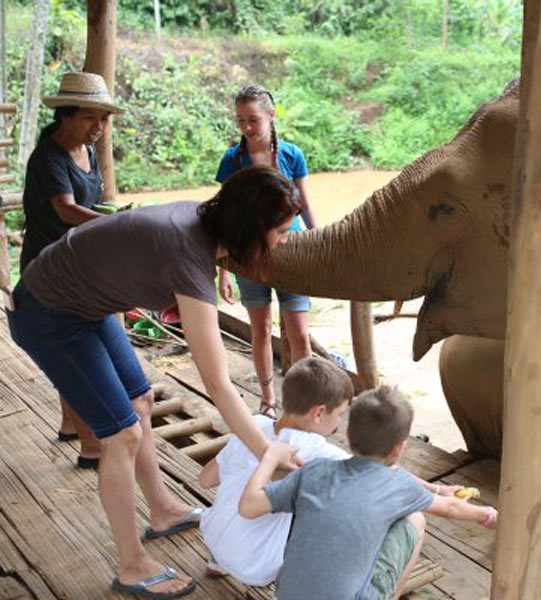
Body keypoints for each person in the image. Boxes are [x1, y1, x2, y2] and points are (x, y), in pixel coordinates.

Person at [6, 166, 303, 599]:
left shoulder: (203, 223)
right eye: (280, 232)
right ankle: (130, 565)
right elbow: (217, 383)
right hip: (49, 313)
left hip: (84, 301)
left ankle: (162, 509)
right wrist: (266, 451)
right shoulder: (188, 256)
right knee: (121, 434)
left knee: (140, 399)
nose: (283, 241)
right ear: (250, 231)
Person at [240, 385, 499, 600]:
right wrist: (488, 515)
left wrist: (270, 457)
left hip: (287, 595)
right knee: (415, 519)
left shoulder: (313, 472)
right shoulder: (398, 485)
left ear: (349, 434)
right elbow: (451, 508)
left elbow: (248, 507)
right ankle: (391, 594)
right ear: (400, 448)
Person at [19, 72, 119, 468]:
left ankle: (69, 424)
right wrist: (114, 225)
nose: (97, 128)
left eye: (103, 119)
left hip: (76, 265)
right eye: (88, 118)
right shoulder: (49, 157)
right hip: (50, 272)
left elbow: (89, 203)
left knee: (68, 350)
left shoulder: (87, 151)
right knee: (75, 350)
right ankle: (92, 445)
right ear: (64, 116)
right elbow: (66, 209)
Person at [198, 357, 352, 585]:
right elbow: (371, 469)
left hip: (212, 537)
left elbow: (205, 480)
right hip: (255, 567)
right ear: (318, 413)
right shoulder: (314, 448)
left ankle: (219, 562)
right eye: (340, 413)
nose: (340, 422)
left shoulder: (254, 425)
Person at [215, 84, 317, 418]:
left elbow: (303, 204)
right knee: (259, 330)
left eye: (253, 120)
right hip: (248, 255)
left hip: (292, 251)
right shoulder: (232, 160)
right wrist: (224, 269)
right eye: (240, 120)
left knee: (299, 333)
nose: (246, 128)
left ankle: (299, 402)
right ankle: (268, 398)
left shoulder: (291, 154)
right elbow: (224, 215)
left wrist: (320, 243)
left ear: (271, 117)